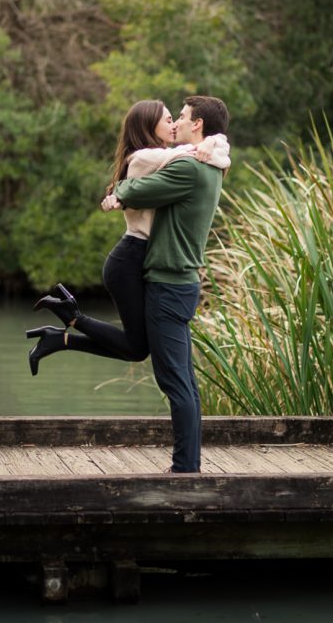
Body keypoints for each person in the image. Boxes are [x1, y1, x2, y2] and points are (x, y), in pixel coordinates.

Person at [26, 99, 230, 375]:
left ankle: (60, 336)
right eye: (168, 119)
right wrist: (209, 144)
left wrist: (212, 141)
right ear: (148, 125)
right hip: (130, 258)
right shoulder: (148, 157)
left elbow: (193, 152)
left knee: (137, 348)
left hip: (138, 257)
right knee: (137, 349)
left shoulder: (161, 157)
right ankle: (72, 318)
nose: (174, 124)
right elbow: (193, 154)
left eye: (176, 118)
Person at [102, 95, 230, 474]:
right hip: (180, 283)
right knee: (184, 381)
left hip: (168, 284)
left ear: (199, 126)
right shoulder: (208, 162)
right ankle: (187, 464)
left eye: (184, 116)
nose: (178, 123)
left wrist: (117, 194)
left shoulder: (190, 169)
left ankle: (184, 469)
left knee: (175, 382)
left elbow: (140, 190)